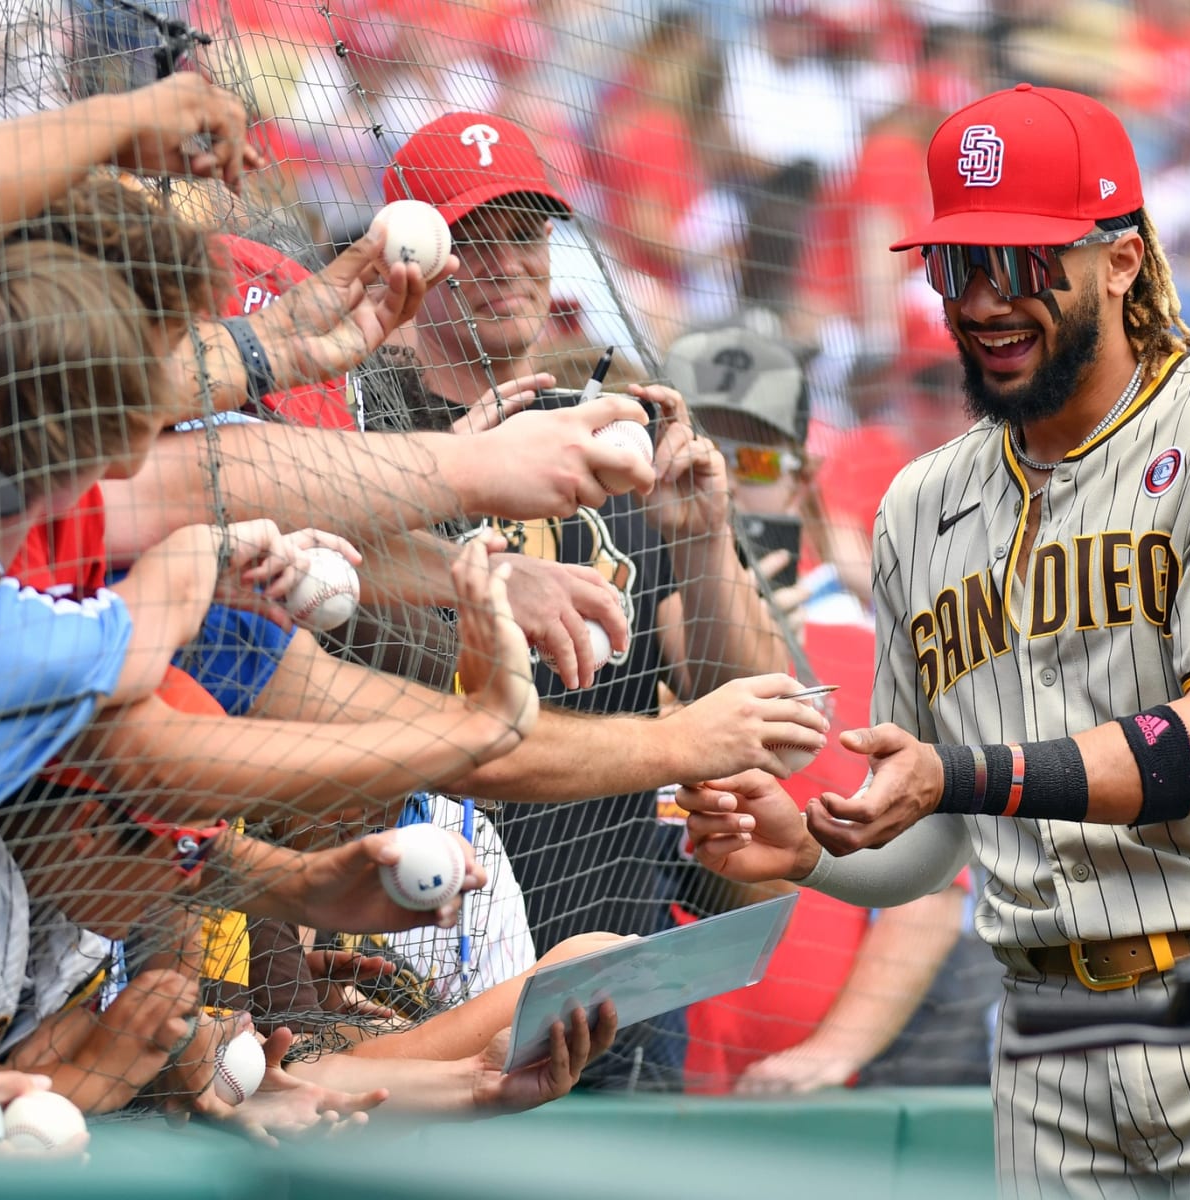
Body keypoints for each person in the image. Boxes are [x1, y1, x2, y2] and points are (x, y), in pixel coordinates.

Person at [682, 83, 1190, 1194]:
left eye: (1022, 262)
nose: (985, 301)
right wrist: (815, 849)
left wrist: (961, 774)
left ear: (1121, 260)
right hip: (1045, 1035)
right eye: (958, 266)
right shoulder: (922, 504)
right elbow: (935, 831)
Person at [383, 109, 797, 1087]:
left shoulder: (608, 436)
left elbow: (758, 707)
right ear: (411, 250)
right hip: (411, 968)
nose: (507, 264)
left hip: (613, 974)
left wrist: (703, 549)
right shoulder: (365, 432)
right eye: (471, 241)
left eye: (525, 236)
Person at [660, 325, 976, 1095]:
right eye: (701, 448)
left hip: (801, 1105)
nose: (724, 480)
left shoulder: (861, 649)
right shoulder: (591, 628)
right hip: (621, 1078)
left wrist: (834, 1051)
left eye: (755, 460)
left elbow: (930, 895)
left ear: (799, 484)